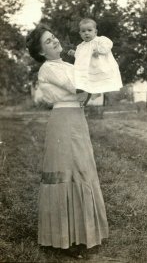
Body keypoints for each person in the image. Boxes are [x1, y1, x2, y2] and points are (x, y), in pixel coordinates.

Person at [26, 24, 108, 258]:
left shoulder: (69, 65)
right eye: (48, 42)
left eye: (54, 37)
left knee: (83, 169)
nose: (55, 42)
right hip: (63, 121)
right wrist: (88, 81)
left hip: (77, 119)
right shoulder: (48, 68)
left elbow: (90, 94)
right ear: (42, 52)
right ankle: (66, 238)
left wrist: (89, 84)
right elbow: (79, 87)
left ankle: (84, 234)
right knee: (67, 173)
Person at [68, 18, 123, 95]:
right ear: (80, 33)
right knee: (87, 80)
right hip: (88, 69)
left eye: (89, 30)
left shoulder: (100, 40)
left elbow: (108, 44)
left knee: (101, 78)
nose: (86, 33)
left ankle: (98, 92)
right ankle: (93, 93)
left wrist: (99, 50)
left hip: (99, 66)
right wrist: (74, 53)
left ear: (95, 32)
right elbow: (80, 57)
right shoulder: (81, 46)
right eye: (83, 31)